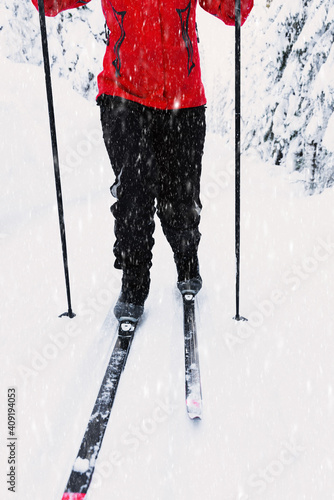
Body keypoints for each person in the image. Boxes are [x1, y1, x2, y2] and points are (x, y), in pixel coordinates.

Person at [32, 0, 253, 322]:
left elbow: (232, 11)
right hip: (124, 97)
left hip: (184, 101)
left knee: (180, 198)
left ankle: (186, 258)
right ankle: (134, 282)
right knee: (134, 192)